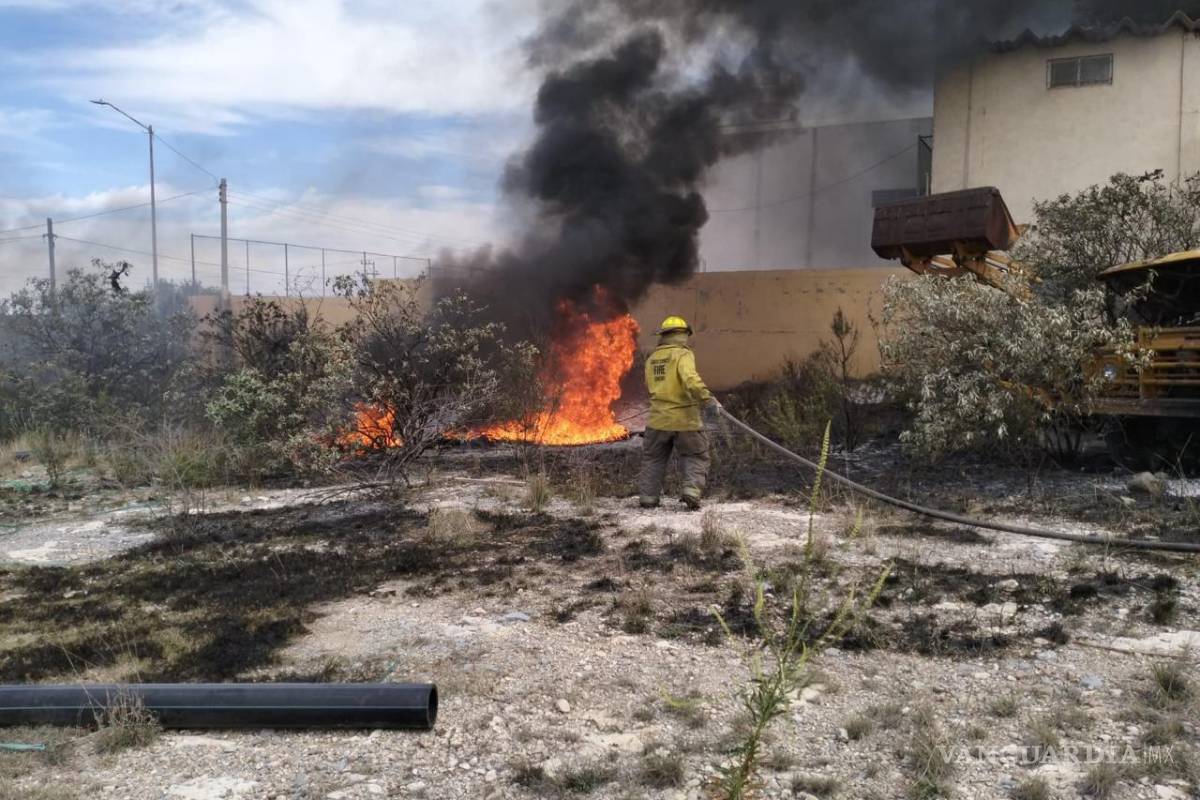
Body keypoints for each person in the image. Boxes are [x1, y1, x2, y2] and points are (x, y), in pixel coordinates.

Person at [638, 315, 721, 510]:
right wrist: (708, 399)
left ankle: (648, 498)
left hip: (657, 420)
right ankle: (691, 492)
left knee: (653, 459)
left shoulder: (652, 358)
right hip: (685, 421)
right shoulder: (683, 354)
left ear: (663, 335)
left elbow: (649, 386)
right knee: (696, 455)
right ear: (683, 334)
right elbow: (690, 380)